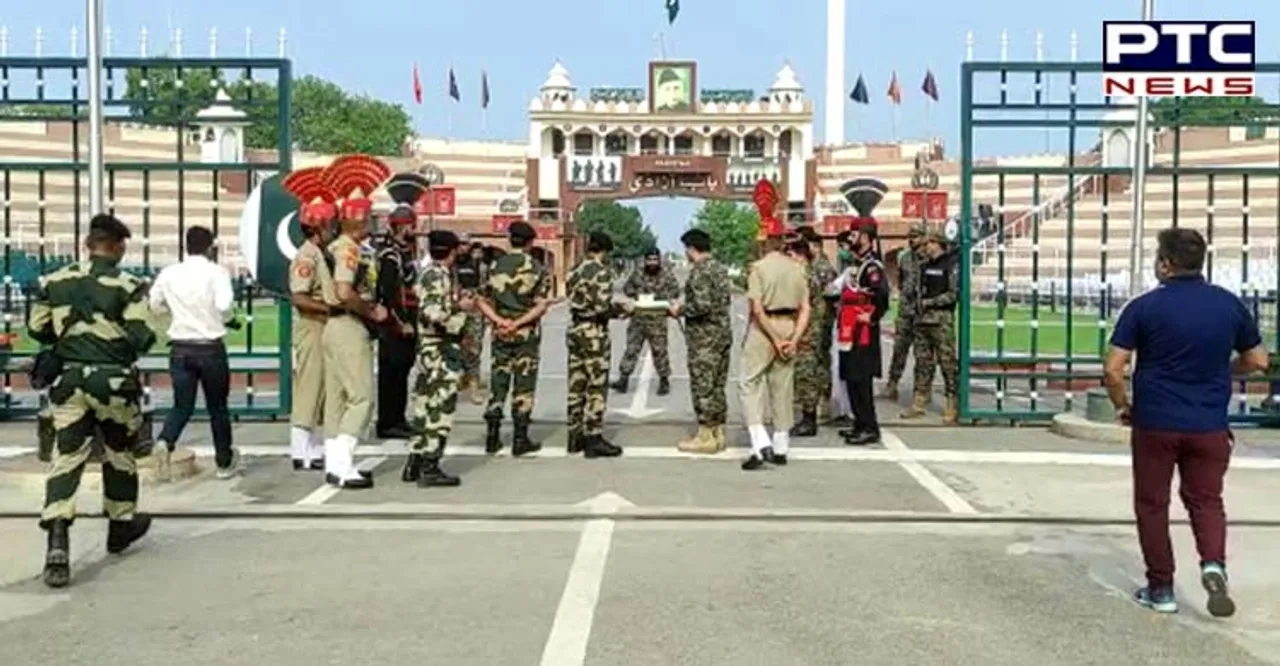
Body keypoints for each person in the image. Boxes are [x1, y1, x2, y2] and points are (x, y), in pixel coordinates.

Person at [1103, 228, 1269, 618]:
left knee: (1152, 503)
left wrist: (1123, 404)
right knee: (1206, 500)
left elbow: (1113, 369)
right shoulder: (1228, 306)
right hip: (1209, 423)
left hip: (1156, 421)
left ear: (1165, 263)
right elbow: (1259, 361)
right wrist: (1227, 368)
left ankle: (1161, 587)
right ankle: (1213, 564)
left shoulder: (1143, 308)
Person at [28, 213, 155, 588]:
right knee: (119, 452)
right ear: (115, 247)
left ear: (87, 243)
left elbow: (37, 329)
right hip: (113, 382)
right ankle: (120, 525)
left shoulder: (54, 280)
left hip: (68, 380)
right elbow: (142, 336)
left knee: (66, 457)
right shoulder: (128, 284)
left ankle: (57, 540)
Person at [150, 226, 238, 479]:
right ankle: (223, 461)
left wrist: (176, 312)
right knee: (217, 407)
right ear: (210, 247)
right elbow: (223, 305)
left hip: (180, 347)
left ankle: (166, 440)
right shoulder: (217, 272)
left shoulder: (170, 273)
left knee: (182, 405)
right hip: (210, 347)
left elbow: (154, 303)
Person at [321, 199, 388, 489]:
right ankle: (344, 463)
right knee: (361, 398)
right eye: (369, 218)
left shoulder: (337, 246)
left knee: (337, 399)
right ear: (358, 221)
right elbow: (345, 291)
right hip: (349, 324)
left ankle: (335, 464)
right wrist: (370, 311)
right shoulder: (349, 249)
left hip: (334, 325)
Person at [401, 230, 474, 487]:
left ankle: (416, 460)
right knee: (439, 407)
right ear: (452, 251)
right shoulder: (438, 275)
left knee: (423, 404)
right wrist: (458, 309)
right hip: (440, 347)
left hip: (430, 348)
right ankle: (430, 464)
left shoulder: (429, 272)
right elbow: (432, 312)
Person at [475, 221, 552, 456]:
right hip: (525, 334)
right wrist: (518, 323)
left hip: (501, 334)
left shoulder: (495, 266)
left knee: (499, 383)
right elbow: (541, 305)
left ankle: (492, 435)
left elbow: (481, 300)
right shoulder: (537, 267)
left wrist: (499, 321)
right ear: (530, 242)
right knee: (523, 385)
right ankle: (520, 438)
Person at [740, 232, 811, 471]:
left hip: (764, 328)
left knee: (750, 383)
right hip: (789, 324)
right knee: (782, 387)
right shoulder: (798, 268)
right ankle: (781, 445)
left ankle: (760, 442)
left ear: (764, 243)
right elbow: (805, 308)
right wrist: (793, 338)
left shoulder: (757, 269)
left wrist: (773, 337)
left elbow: (757, 309)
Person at [564, 231, 629, 458]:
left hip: (575, 329)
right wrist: (622, 310)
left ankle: (574, 435)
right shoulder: (601, 272)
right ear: (605, 251)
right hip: (594, 332)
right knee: (596, 385)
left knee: (576, 383)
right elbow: (602, 307)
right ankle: (593, 437)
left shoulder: (575, 271)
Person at [286, 201, 336, 472]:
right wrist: (331, 309)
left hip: (322, 325)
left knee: (322, 388)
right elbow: (300, 297)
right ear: (320, 226)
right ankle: (300, 448)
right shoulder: (307, 256)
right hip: (313, 325)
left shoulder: (319, 253)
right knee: (309, 385)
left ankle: (311, 447)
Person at [673, 228, 733, 454]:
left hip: (704, 339)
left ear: (691, 248)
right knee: (718, 385)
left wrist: (680, 309)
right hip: (722, 334)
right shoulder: (719, 269)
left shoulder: (700, 271)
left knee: (704, 386)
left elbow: (701, 305)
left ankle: (705, 435)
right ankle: (718, 432)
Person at [832, 222, 890, 446]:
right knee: (850, 376)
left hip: (863, 330)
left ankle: (869, 426)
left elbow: (882, 295)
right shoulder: (857, 264)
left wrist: (872, 317)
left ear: (865, 237)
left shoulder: (873, 267)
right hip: (849, 328)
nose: (851, 238)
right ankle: (859, 422)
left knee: (861, 378)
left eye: (855, 234)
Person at [902, 230, 959, 424]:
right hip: (921, 320)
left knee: (947, 363)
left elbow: (953, 294)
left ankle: (952, 403)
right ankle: (919, 402)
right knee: (922, 363)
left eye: (930, 243)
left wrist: (930, 302)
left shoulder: (950, 265)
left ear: (938, 244)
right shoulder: (923, 266)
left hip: (941, 320)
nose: (926, 247)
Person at [374, 204, 419, 439]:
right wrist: (401, 321)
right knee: (391, 372)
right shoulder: (390, 255)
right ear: (401, 227)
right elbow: (390, 292)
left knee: (402, 371)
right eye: (411, 225)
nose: (414, 229)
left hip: (409, 317)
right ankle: (387, 421)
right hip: (394, 322)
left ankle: (398, 418)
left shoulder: (407, 252)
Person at [790, 225, 839, 437]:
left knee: (811, 369)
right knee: (807, 370)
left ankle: (813, 412)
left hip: (813, 327)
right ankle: (808, 409)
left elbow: (827, 297)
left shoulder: (812, 273)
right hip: (810, 327)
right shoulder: (805, 273)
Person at [613, 247, 680, 396]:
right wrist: (637, 294)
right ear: (645, 260)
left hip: (657, 319)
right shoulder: (637, 273)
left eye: (655, 260)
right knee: (631, 350)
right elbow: (627, 289)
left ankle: (664, 381)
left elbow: (675, 291)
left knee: (660, 351)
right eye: (649, 260)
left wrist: (660, 296)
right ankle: (623, 380)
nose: (652, 263)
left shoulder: (666, 275)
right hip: (638, 318)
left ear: (659, 260)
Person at [881, 222, 927, 400]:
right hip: (906, 309)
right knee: (899, 349)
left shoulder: (929, 257)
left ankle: (922, 389)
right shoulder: (905, 258)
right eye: (911, 237)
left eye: (916, 237)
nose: (912, 240)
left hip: (922, 310)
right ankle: (892, 384)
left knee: (923, 354)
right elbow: (901, 280)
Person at [454, 241, 489, 403]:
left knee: (474, 348)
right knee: (455, 347)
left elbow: (485, 289)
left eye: (466, 244)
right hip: (454, 310)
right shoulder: (450, 264)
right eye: (460, 244)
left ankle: (474, 386)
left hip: (474, 310)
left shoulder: (480, 266)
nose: (463, 248)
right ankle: (461, 377)